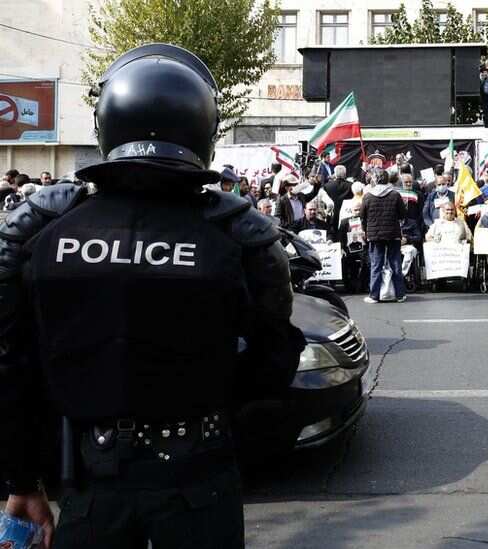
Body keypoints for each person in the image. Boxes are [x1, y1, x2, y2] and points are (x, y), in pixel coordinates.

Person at [0, 43, 303, 549]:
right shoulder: (240, 232)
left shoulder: (41, 230)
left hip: (93, 483)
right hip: (201, 479)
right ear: (203, 126)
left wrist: (22, 480)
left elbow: (11, 363)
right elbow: (274, 361)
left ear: (107, 123)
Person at [360, 170, 407, 303]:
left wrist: (365, 231)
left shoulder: (368, 196)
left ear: (375, 179)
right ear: (387, 180)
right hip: (393, 234)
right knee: (396, 264)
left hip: (375, 235)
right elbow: (403, 214)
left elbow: (362, 217)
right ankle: (400, 295)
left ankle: (374, 295)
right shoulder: (395, 194)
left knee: (376, 265)